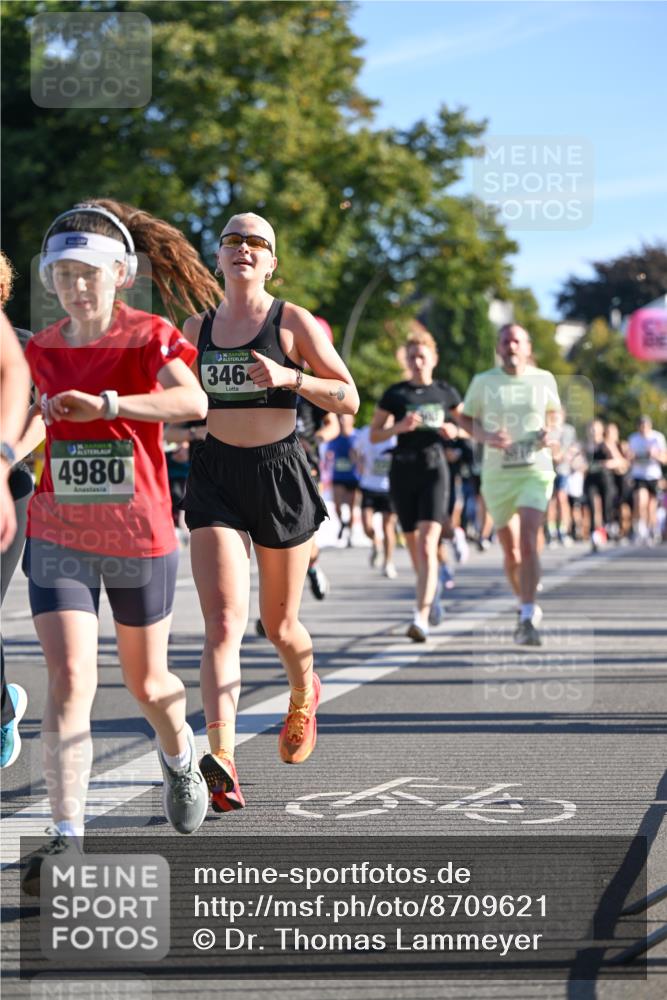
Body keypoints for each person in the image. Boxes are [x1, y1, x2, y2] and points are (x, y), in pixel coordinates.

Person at [17, 201, 221, 891]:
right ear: (51, 279)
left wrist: (107, 404)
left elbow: (193, 404)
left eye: (91, 274)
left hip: (138, 531)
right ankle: (66, 835)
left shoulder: (150, 337)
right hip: (59, 531)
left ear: (121, 276)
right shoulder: (40, 350)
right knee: (71, 679)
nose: (78, 286)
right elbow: (27, 430)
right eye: (65, 274)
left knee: (149, 684)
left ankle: (178, 752)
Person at [180, 212, 358, 813]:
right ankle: (222, 760)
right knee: (223, 623)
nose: (245, 249)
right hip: (215, 477)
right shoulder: (196, 325)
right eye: (233, 240)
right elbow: (179, 398)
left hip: (280, 474)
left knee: (279, 625)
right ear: (220, 257)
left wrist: (291, 376)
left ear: (272, 261)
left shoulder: (292, 321)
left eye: (258, 242)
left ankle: (304, 690)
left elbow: (349, 396)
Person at [458, 324, 561, 646]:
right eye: (506, 340)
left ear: (527, 347)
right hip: (498, 473)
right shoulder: (483, 381)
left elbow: (555, 413)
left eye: (517, 340)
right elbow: (464, 418)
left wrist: (551, 432)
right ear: (499, 348)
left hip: (534, 469)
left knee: (529, 539)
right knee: (511, 550)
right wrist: (486, 436)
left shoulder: (544, 378)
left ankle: (528, 613)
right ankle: (523, 600)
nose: (511, 345)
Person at [370, 329, 462, 642]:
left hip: (434, 469)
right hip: (402, 471)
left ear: (433, 359)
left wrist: (454, 430)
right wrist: (399, 426)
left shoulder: (445, 393)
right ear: (406, 361)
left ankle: (419, 618)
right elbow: (374, 435)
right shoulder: (395, 394)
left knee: (426, 544)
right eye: (412, 357)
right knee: (415, 550)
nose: (417, 362)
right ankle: (431, 592)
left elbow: (467, 427)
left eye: (422, 356)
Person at [0, 302, 32, 769]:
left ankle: (2, 715)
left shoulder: (23, 346)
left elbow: (43, 419)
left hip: (9, 488)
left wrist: (3, 463)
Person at [353, 422, 398, 578]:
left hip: (390, 487)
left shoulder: (397, 433)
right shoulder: (366, 432)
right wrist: (358, 461)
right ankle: (375, 542)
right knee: (367, 526)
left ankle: (388, 562)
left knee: (388, 527)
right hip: (369, 485)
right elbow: (354, 450)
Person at [628, 415, 667, 544]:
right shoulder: (633, 438)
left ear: (650, 426)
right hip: (639, 475)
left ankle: (652, 529)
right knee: (640, 501)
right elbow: (628, 458)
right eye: (641, 426)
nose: (643, 429)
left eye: (645, 426)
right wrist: (632, 457)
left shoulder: (657, 437)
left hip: (653, 476)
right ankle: (641, 528)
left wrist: (654, 454)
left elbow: (665, 459)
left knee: (652, 507)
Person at [583, 420, 617, 552]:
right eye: (591, 429)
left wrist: (606, 463)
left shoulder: (606, 444)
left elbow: (618, 461)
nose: (593, 432)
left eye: (595, 429)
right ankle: (594, 534)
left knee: (606, 506)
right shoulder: (585, 446)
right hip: (590, 479)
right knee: (591, 505)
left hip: (604, 479)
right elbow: (576, 459)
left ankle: (606, 529)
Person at [326, 413, 360, 546]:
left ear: (352, 420)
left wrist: (356, 457)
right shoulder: (334, 437)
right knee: (337, 506)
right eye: (340, 418)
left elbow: (362, 455)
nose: (341, 421)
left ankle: (350, 534)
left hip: (353, 477)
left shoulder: (357, 436)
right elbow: (329, 455)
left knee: (351, 508)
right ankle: (342, 523)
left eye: (344, 418)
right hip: (338, 476)